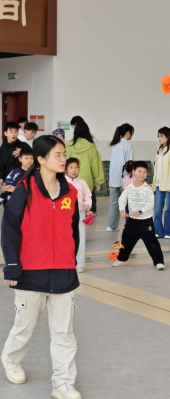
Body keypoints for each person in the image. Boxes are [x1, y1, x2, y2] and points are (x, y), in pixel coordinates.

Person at [2, 135, 82, 399]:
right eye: (58, 155)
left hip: (63, 272)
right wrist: (12, 266)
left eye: (64, 154)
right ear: (41, 159)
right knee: (25, 327)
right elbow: (10, 229)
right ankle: (11, 358)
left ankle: (63, 383)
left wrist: (71, 261)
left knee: (64, 332)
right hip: (30, 271)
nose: (63, 159)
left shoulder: (71, 192)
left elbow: (73, 231)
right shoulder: (24, 190)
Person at [113, 161, 165, 270]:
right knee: (126, 240)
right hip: (132, 221)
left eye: (144, 172)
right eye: (139, 171)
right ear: (133, 172)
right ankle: (121, 259)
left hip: (145, 221)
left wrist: (140, 212)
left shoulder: (147, 188)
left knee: (152, 242)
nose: (142, 174)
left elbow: (150, 204)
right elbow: (122, 199)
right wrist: (122, 209)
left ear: (147, 174)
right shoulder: (129, 188)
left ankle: (159, 262)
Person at [66, 121, 105, 215]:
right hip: (87, 181)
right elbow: (95, 166)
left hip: (69, 181)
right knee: (87, 206)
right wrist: (98, 182)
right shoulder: (91, 147)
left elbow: (64, 162)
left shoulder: (68, 146)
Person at [65, 158, 92, 274]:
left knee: (80, 238)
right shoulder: (62, 182)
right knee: (66, 238)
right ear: (65, 169)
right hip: (65, 214)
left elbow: (88, 196)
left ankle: (80, 264)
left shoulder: (82, 182)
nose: (74, 170)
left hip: (80, 213)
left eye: (76, 167)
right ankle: (67, 262)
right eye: (71, 167)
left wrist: (88, 204)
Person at [106, 124, 134, 232]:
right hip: (125, 179)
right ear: (128, 133)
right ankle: (128, 224)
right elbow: (129, 164)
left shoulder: (115, 145)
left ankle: (111, 226)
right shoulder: (128, 146)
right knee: (127, 202)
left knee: (114, 202)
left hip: (113, 178)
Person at [0, 122, 26, 186]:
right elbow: (1, 166)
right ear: (5, 133)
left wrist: (23, 151)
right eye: (11, 132)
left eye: (16, 131)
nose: (13, 134)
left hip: (22, 179)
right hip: (7, 181)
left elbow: (33, 156)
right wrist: (0, 177)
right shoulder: (2, 149)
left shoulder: (24, 146)